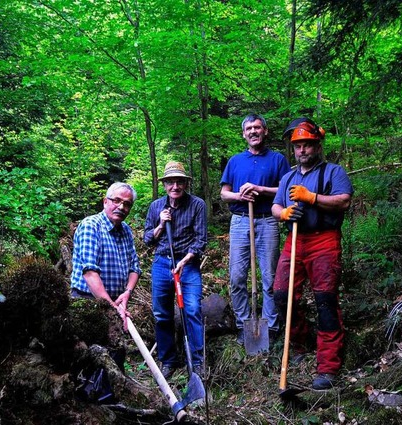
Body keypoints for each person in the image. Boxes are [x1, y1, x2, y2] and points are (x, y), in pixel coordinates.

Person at [272, 119, 353, 390]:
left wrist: (312, 198)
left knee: (325, 300)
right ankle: (299, 343)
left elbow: (344, 200)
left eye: (307, 145)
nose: (302, 150)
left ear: (317, 147)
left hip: (324, 240)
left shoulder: (333, 171)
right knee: (282, 295)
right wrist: (282, 212)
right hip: (295, 241)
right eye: (298, 146)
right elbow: (275, 206)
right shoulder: (288, 178)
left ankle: (328, 366)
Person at [220, 114, 291, 346]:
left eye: (257, 128)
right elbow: (224, 193)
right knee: (237, 276)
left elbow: (285, 189)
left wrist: (260, 189)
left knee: (269, 276)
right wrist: (240, 195)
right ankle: (243, 324)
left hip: (267, 220)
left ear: (265, 131)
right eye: (249, 128)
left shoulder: (278, 159)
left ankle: (270, 325)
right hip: (240, 221)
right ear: (244, 134)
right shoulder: (235, 161)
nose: (253, 132)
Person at [144, 161, 208, 379]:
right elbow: (146, 240)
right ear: (164, 185)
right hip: (162, 263)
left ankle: (198, 362)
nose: (175, 186)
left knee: (191, 310)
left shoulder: (197, 205)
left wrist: (186, 260)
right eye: (171, 182)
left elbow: (201, 241)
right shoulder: (156, 207)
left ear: (185, 184)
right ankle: (169, 360)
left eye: (179, 182)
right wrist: (161, 225)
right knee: (162, 314)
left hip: (187, 264)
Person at [70, 182, 141, 326]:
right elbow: (89, 272)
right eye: (116, 201)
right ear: (105, 201)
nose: (121, 207)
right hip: (87, 302)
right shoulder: (91, 225)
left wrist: (127, 292)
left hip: (117, 301)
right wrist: (111, 307)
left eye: (127, 204)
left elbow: (135, 267)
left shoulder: (126, 230)